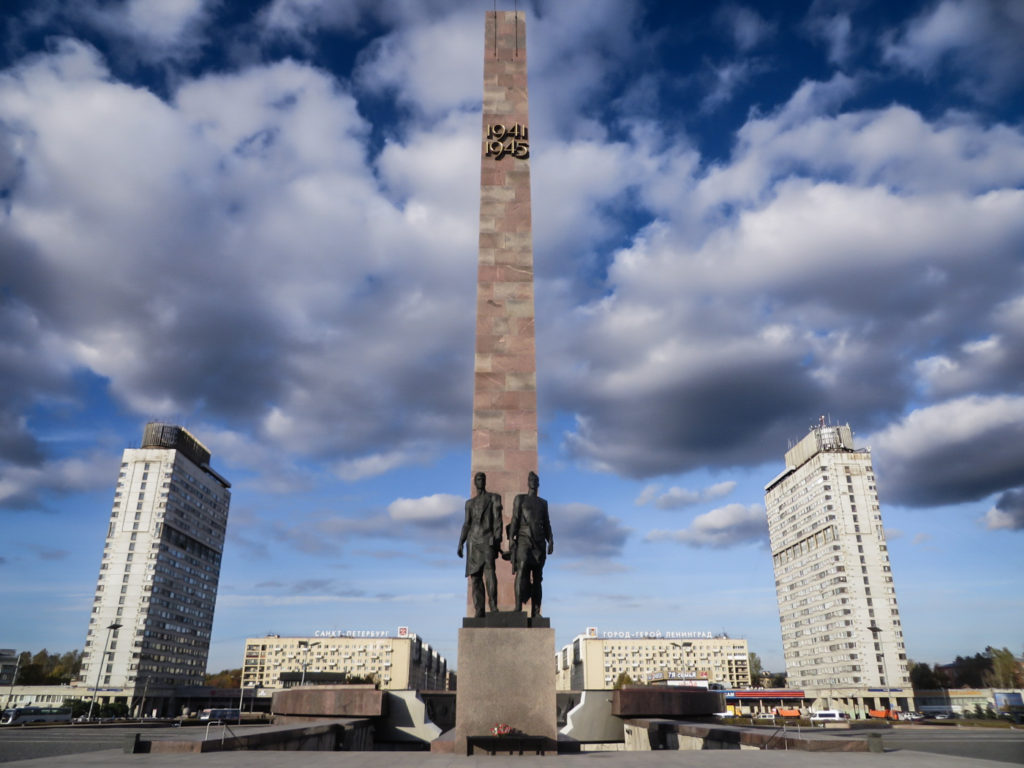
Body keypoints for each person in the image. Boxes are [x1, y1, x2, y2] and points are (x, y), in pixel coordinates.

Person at [457, 472, 502, 617]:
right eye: (477, 479)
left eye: (482, 479)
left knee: (490, 573)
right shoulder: (469, 503)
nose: (480, 481)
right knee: (475, 578)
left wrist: (496, 538)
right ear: (475, 483)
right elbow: (466, 524)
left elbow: (498, 521)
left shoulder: (493, 498)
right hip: (473, 542)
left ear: (485, 481)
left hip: (487, 538)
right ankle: (479, 610)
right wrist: (461, 542)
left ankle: (493, 605)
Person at [509, 471, 553, 617]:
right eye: (531, 480)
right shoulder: (520, 499)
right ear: (528, 483)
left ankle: (536, 612)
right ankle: (518, 607)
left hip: (539, 543)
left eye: (535, 480)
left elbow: (546, 523)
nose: (533, 482)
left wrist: (551, 539)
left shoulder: (543, 503)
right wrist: (510, 539)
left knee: (538, 578)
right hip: (524, 539)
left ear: (538, 484)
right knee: (521, 570)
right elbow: (515, 519)